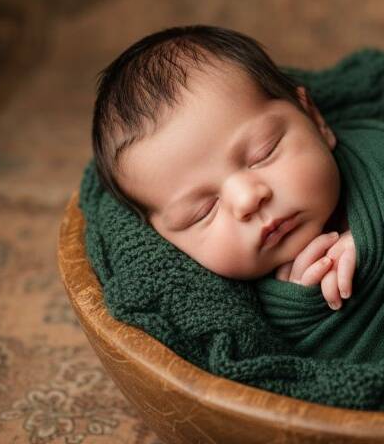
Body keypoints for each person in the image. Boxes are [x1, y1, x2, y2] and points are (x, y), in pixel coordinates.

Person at [91, 25, 356, 311]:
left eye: (262, 153)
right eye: (203, 211)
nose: (247, 200)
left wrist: (371, 239)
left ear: (314, 118)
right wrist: (300, 309)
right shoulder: (224, 308)